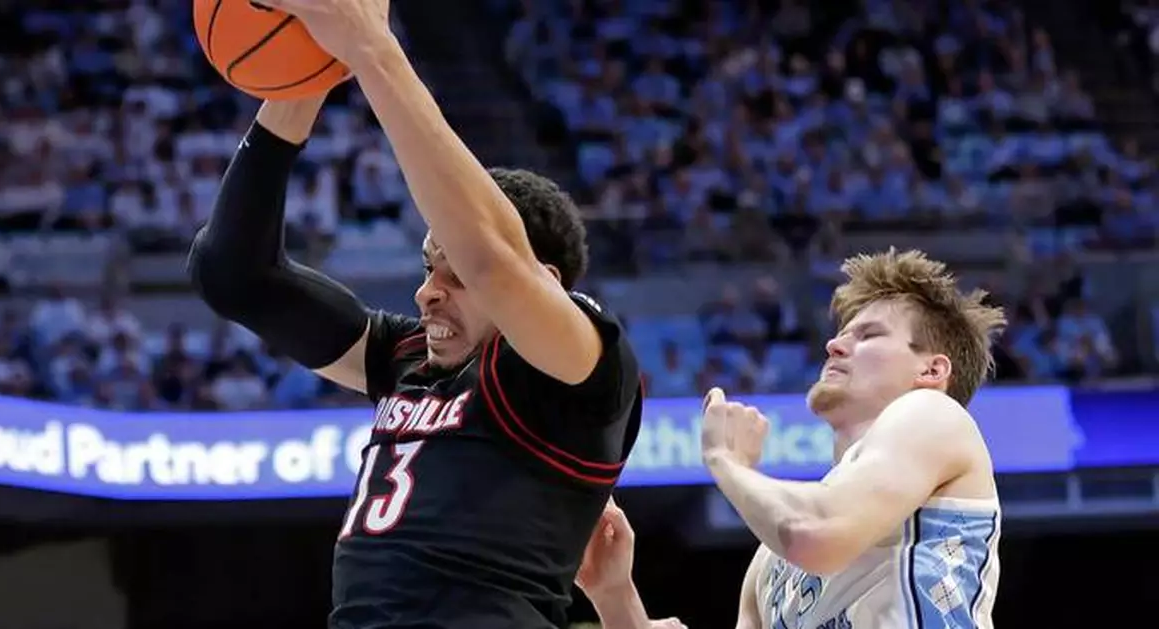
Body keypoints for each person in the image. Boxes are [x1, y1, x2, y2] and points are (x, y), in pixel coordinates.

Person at [187, 0, 642, 627]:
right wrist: (308, 70)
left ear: (551, 285)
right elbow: (234, 275)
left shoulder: (584, 366)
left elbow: (495, 261)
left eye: (451, 272)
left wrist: (372, 46)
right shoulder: (408, 358)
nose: (428, 292)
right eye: (429, 267)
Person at [578, 250, 1006, 629]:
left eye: (870, 335)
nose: (835, 344)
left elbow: (815, 534)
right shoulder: (771, 559)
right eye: (842, 333)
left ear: (931, 372)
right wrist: (616, 598)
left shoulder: (934, 413)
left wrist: (727, 462)